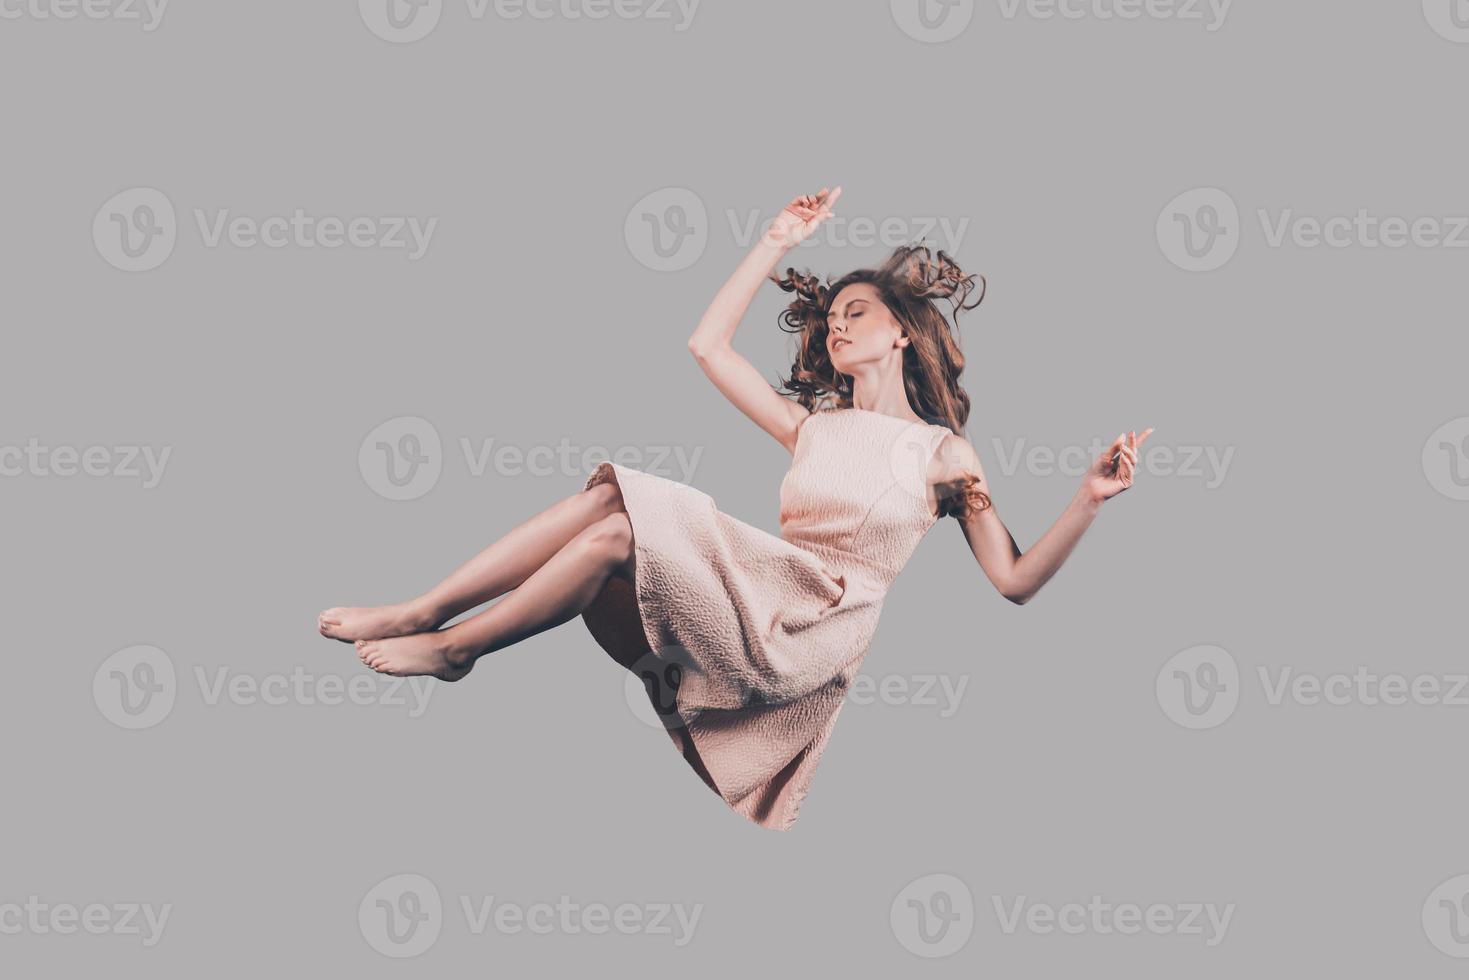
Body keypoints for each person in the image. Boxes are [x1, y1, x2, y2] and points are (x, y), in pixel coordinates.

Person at [318, 186, 1153, 830]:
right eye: (828, 319)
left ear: (902, 331)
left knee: (620, 519)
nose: (835, 328)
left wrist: (1085, 500)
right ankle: (429, 615)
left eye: (854, 314)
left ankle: (455, 645)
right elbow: (706, 347)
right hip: (757, 582)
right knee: (612, 509)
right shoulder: (812, 427)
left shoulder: (944, 455)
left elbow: (1010, 580)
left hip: (810, 626)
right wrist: (775, 241)